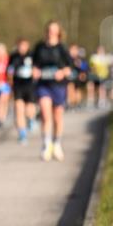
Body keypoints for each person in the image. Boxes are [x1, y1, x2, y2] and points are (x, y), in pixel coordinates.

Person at [33, 21, 74, 162]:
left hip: (58, 85)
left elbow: (70, 67)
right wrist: (35, 71)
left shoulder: (62, 48)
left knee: (57, 117)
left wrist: (62, 72)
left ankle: (57, 143)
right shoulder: (39, 47)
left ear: (58, 32)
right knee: (45, 114)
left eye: (54, 30)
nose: (51, 32)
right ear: (46, 31)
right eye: (49, 29)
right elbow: (33, 64)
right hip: (43, 84)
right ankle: (46, 144)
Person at [8, 38, 37, 144]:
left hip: (30, 86)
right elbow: (9, 71)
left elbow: (37, 69)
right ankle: (22, 134)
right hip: (18, 86)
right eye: (20, 46)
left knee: (29, 110)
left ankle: (31, 119)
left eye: (24, 46)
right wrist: (10, 82)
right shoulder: (13, 56)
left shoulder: (32, 55)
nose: (22, 48)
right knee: (19, 110)